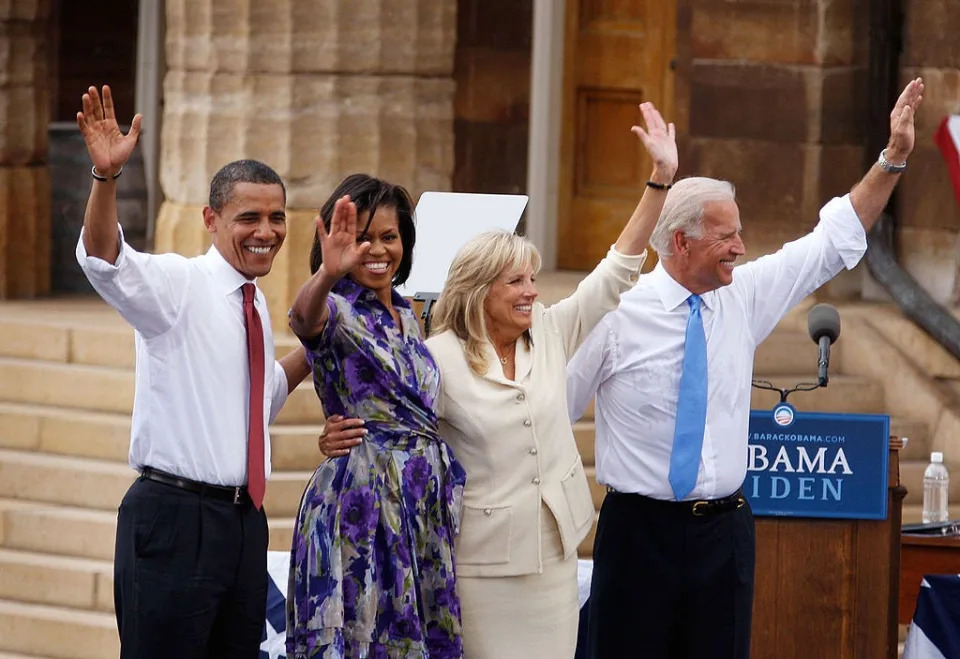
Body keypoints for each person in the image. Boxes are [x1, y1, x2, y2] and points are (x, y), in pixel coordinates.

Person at [565, 78, 925, 659]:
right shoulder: (615, 314)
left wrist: (894, 158)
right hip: (638, 535)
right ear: (680, 242)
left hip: (725, 535)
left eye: (739, 232)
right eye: (727, 235)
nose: (741, 245)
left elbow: (831, 242)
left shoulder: (743, 296)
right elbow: (552, 409)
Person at [318, 102, 678, 658]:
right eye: (516, 281)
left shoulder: (551, 333)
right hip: (483, 567)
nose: (532, 291)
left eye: (533, 278)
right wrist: (338, 435)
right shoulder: (434, 357)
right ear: (480, 290)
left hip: (556, 555)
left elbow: (617, 269)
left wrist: (659, 180)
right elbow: (388, 422)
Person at [74, 85, 311, 659]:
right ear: (211, 219)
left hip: (244, 525)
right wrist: (106, 179)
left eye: (277, 217)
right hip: (177, 520)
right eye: (249, 217)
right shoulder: (179, 285)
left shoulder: (252, 301)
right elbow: (105, 259)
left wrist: (325, 339)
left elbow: (255, 398)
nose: (267, 231)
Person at [285, 174, 467, 658]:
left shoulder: (411, 315)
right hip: (363, 501)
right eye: (363, 237)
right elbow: (303, 320)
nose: (377, 249)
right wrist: (326, 274)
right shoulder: (338, 309)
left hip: (421, 501)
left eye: (389, 236)